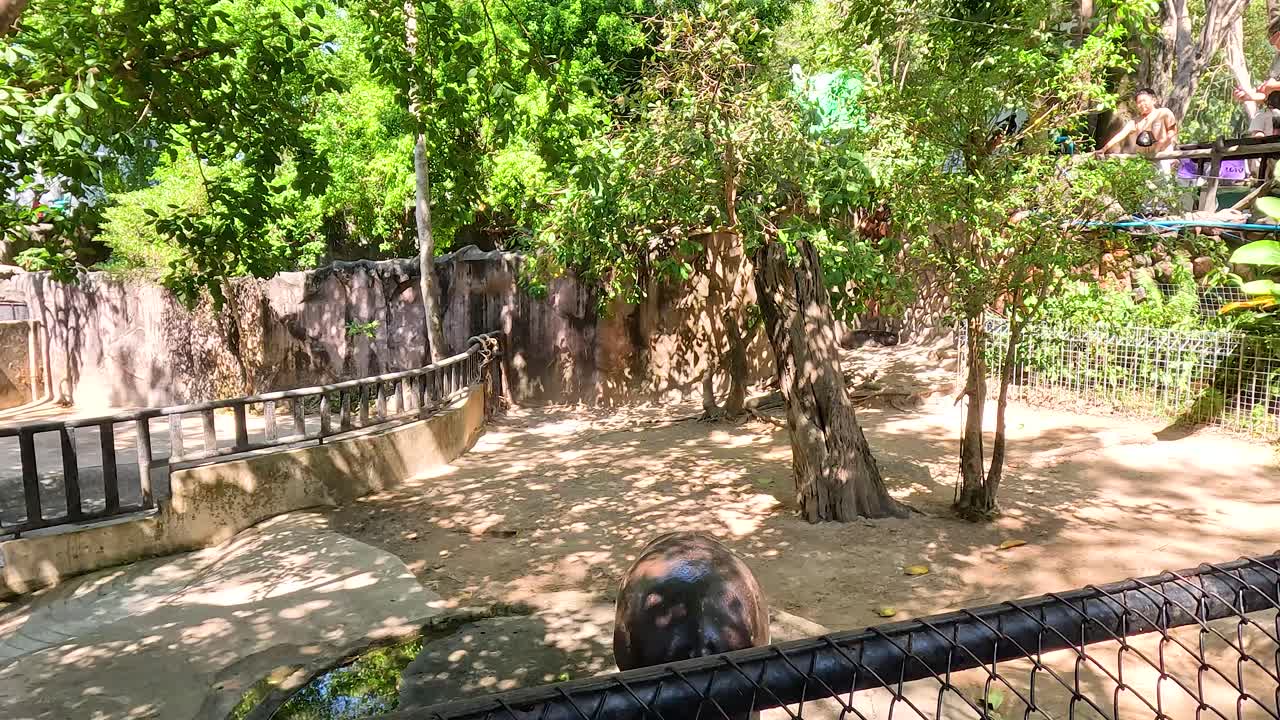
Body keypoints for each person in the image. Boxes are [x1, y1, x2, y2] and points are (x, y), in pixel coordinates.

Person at [1097, 88, 1180, 174]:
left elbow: (1172, 132)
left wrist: (1159, 148)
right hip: (1144, 159)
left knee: (1163, 184)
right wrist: (1104, 148)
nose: (1141, 104)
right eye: (1138, 102)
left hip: (1162, 156)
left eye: (1144, 101)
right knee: (1144, 185)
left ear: (1154, 100)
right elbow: (1121, 135)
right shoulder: (1136, 121)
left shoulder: (1163, 113)